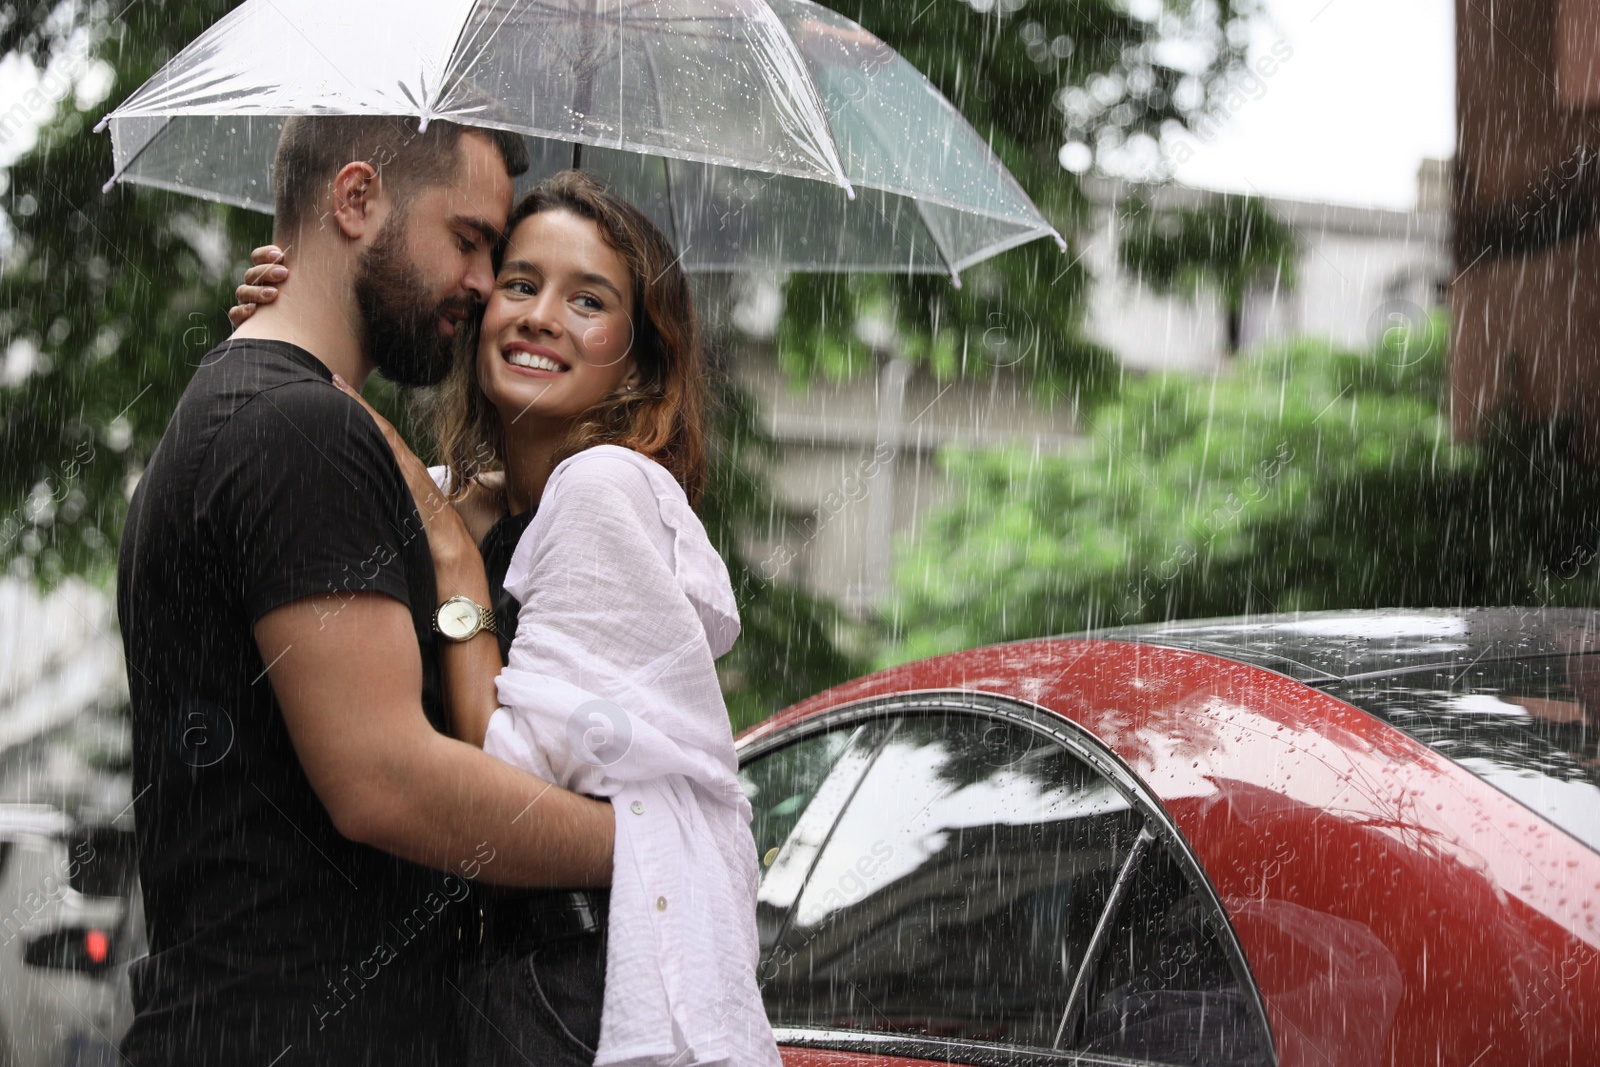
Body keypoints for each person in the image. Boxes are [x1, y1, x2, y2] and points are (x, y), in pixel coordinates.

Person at [232, 171, 782, 1066]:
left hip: (570, 984)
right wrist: (292, 330)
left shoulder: (606, 494)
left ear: (639, 360)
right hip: (465, 979)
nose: (539, 315)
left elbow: (508, 766)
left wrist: (455, 569)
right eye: (520, 284)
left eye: (588, 299)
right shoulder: (455, 501)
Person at [117, 117, 617, 1067]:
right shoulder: (295, 428)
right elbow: (385, 780)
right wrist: (640, 841)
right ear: (355, 200)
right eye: (469, 242)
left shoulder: (281, 415)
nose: (480, 286)